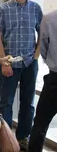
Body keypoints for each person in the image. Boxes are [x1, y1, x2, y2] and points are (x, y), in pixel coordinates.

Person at [0, 0, 43, 151]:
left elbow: (41, 33)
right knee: (6, 102)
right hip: (10, 63)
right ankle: (6, 139)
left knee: (28, 102)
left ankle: (23, 137)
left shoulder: (35, 8)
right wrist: (4, 63)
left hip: (30, 63)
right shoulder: (3, 9)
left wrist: (36, 56)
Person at [28, 10, 57, 152]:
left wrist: (51, 62)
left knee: (40, 123)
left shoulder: (49, 18)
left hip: (55, 78)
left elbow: (43, 48)